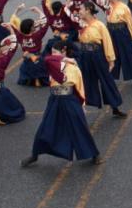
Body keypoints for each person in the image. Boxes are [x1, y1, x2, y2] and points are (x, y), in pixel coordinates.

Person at [20, 39, 101, 167]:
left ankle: (94, 154)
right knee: (45, 127)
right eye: (52, 52)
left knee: (80, 128)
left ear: (64, 51)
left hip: (69, 100)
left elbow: (79, 87)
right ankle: (35, 154)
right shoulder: (52, 63)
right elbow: (46, 59)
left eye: (55, 52)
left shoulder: (72, 67)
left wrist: (82, 104)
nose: (53, 55)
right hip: (55, 99)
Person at [72, 3, 126, 118]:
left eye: (81, 9)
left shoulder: (99, 25)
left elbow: (107, 42)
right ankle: (81, 108)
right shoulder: (81, 25)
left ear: (88, 10)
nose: (79, 11)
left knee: (106, 80)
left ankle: (115, 107)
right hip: (84, 56)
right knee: (84, 81)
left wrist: (111, 60)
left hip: (97, 55)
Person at [97, 0, 132, 85]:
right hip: (110, 32)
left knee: (129, 54)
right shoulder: (107, 5)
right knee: (111, 54)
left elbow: (131, 24)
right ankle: (111, 77)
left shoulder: (124, 7)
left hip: (122, 32)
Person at [10, 4, 50, 87]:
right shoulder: (37, 35)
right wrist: (38, 11)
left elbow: (12, 23)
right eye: (33, 25)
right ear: (31, 28)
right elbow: (45, 23)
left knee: (24, 69)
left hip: (27, 59)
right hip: (37, 58)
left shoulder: (20, 36)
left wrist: (17, 10)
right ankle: (38, 80)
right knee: (42, 68)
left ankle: (31, 80)